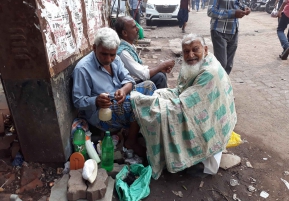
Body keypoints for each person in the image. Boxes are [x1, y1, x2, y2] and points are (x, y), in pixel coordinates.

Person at [130, 34, 237, 179]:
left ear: (205, 49)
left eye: (195, 50)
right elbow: (182, 89)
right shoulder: (203, 61)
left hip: (207, 116)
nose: (190, 55)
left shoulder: (209, 72)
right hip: (196, 103)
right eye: (186, 51)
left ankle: (178, 157)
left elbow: (185, 105)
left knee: (157, 111)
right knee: (158, 94)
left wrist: (143, 101)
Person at [72, 27, 156, 157]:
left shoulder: (115, 59)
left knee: (149, 86)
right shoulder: (83, 69)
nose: (109, 59)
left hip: (120, 99)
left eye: (112, 55)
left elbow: (128, 79)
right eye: (104, 54)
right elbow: (78, 101)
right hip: (101, 113)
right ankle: (131, 141)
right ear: (94, 48)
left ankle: (135, 128)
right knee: (136, 102)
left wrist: (123, 90)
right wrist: (96, 101)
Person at [115, 16, 175, 89]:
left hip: (135, 79)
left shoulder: (129, 47)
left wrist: (160, 68)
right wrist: (162, 65)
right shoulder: (123, 53)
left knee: (161, 73)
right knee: (160, 77)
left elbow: (141, 69)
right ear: (124, 33)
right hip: (128, 86)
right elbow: (143, 75)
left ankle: (161, 97)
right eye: (134, 27)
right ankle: (159, 99)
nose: (138, 29)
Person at [207, 0, 251, 75]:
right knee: (222, 64)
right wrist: (232, 13)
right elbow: (211, 11)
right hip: (219, 31)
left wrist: (245, 8)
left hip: (233, 31)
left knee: (228, 65)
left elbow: (237, 3)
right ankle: (216, 83)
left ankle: (223, 83)